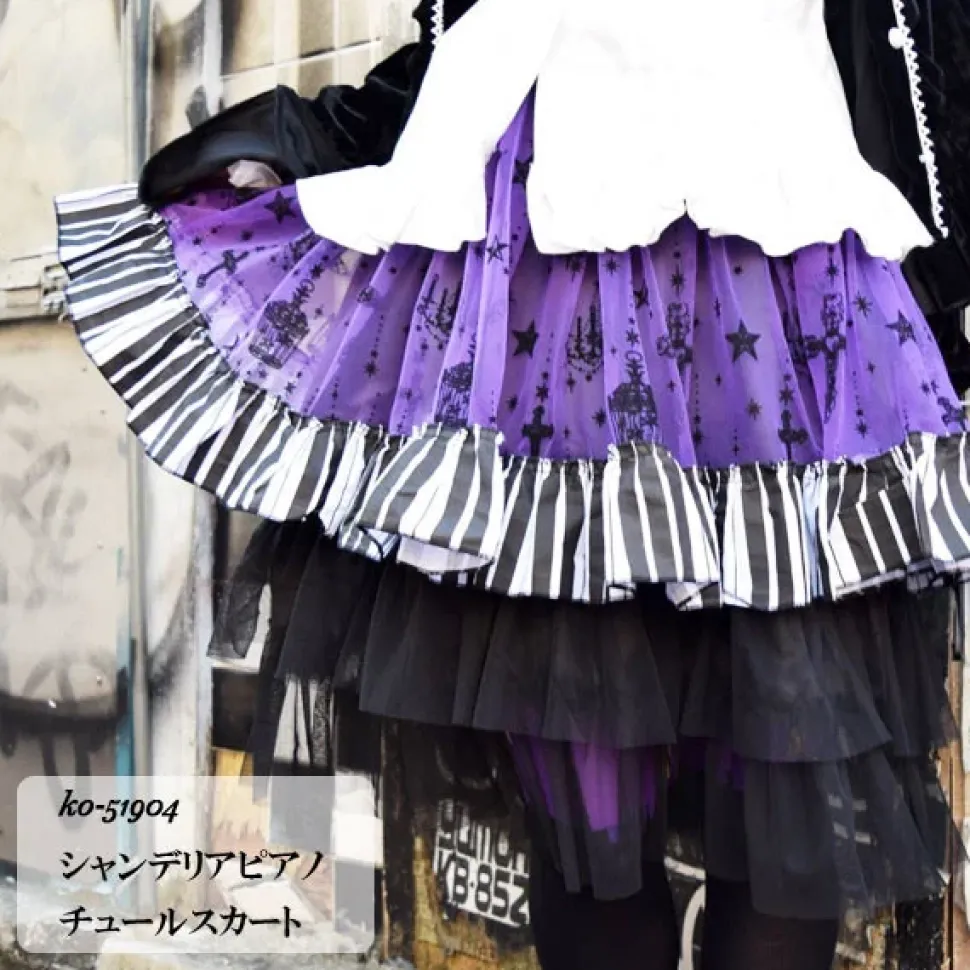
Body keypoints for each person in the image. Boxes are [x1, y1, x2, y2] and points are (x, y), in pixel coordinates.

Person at [55, 1, 970, 968]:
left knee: (769, 813)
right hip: (576, 321)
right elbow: (473, 33)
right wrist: (312, 135)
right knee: (613, 829)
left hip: (769, 301)